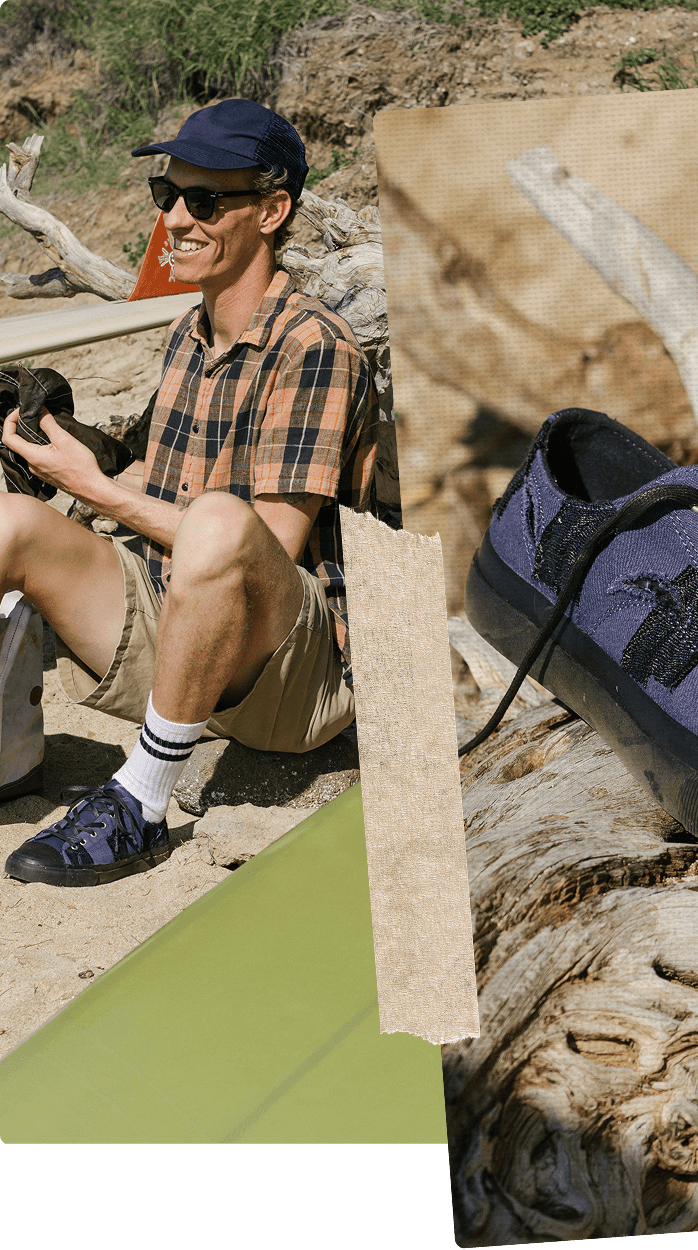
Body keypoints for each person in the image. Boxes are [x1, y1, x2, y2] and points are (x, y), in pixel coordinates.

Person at [1, 99, 375, 887]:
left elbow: (265, 545)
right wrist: (53, 450)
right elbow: (152, 485)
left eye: (203, 200)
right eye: (165, 195)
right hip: (181, 628)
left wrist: (94, 488)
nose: (174, 218)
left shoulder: (314, 347)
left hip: (287, 673)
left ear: (273, 210)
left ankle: (142, 798)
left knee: (216, 522)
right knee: (10, 523)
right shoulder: (190, 333)